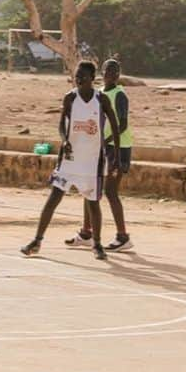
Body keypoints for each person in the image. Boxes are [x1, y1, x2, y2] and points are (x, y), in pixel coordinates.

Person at [22, 61, 119, 261]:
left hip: (92, 161)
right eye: (76, 76)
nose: (79, 79)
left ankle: (97, 244)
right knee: (53, 199)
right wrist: (65, 140)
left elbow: (116, 127)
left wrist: (115, 155)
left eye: (83, 76)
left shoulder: (101, 100)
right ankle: (37, 240)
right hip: (69, 161)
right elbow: (60, 125)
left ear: (92, 78)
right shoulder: (70, 98)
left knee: (93, 203)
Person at [65, 58, 134, 252]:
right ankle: (86, 232)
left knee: (111, 191)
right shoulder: (99, 94)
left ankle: (123, 236)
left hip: (118, 147)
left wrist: (106, 140)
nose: (112, 74)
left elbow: (122, 124)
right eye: (108, 70)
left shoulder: (120, 95)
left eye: (115, 71)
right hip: (100, 147)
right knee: (90, 187)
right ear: (101, 73)